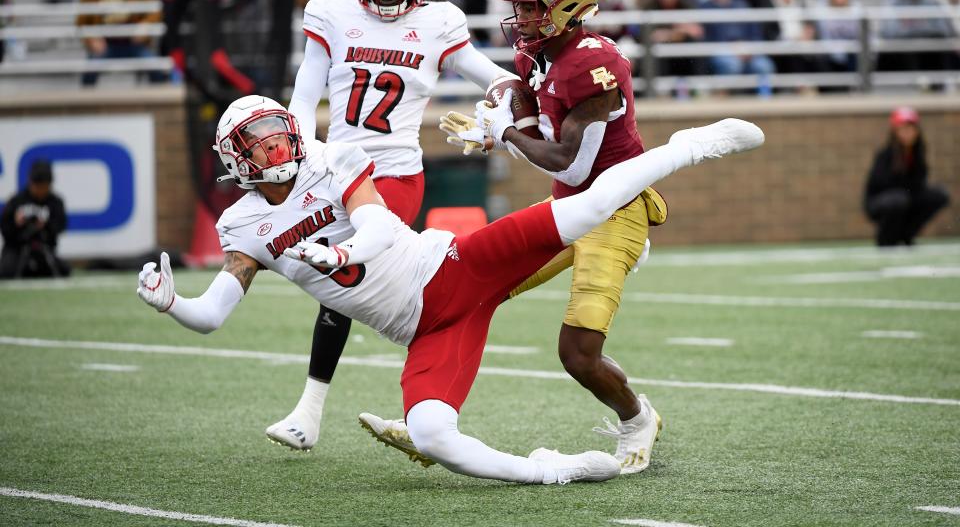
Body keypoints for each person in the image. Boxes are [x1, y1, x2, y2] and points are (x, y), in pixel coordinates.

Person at [136, 94, 765, 484]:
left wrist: (339, 251)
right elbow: (215, 312)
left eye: (280, 132)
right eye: (260, 143)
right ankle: (549, 471)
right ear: (237, 159)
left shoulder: (332, 160)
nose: (278, 146)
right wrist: (173, 304)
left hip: (451, 268)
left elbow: (382, 225)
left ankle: (689, 147)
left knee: (584, 209)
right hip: (426, 328)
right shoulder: (242, 223)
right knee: (433, 434)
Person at [404, 0, 674, 476]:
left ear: (570, 6)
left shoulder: (597, 65)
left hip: (611, 209)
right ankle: (434, 421)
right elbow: (539, 126)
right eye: (520, 6)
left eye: (533, 6)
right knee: (469, 289)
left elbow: (572, 166)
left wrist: (502, 133)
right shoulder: (536, 53)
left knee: (577, 354)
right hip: (566, 207)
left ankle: (638, 418)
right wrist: (500, 120)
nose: (522, 17)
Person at [265, 0, 518, 452]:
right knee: (330, 275)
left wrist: (504, 109)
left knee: (346, 280)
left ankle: (313, 412)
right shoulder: (330, 12)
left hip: (395, 177)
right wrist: (304, 153)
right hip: (334, 167)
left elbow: (493, 76)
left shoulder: (438, 22)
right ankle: (420, 405)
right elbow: (304, 96)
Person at [864, 107, 949, 246]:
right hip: (881, 203)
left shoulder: (918, 153)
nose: (907, 133)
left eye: (911, 128)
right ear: (895, 131)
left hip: (907, 198)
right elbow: (881, 184)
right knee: (899, 199)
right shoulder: (885, 155)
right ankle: (886, 238)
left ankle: (907, 233)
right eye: (903, 128)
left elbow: (919, 183)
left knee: (938, 195)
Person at [0, 160, 69, 279]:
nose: (41, 190)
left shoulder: (55, 202)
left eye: (44, 186)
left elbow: (60, 226)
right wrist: (17, 224)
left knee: (63, 270)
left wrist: (45, 226)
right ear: (30, 182)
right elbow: (5, 229)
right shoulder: (16, 201)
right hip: (17, 250)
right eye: (37, 186)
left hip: (43, 250)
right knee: (6, 272)